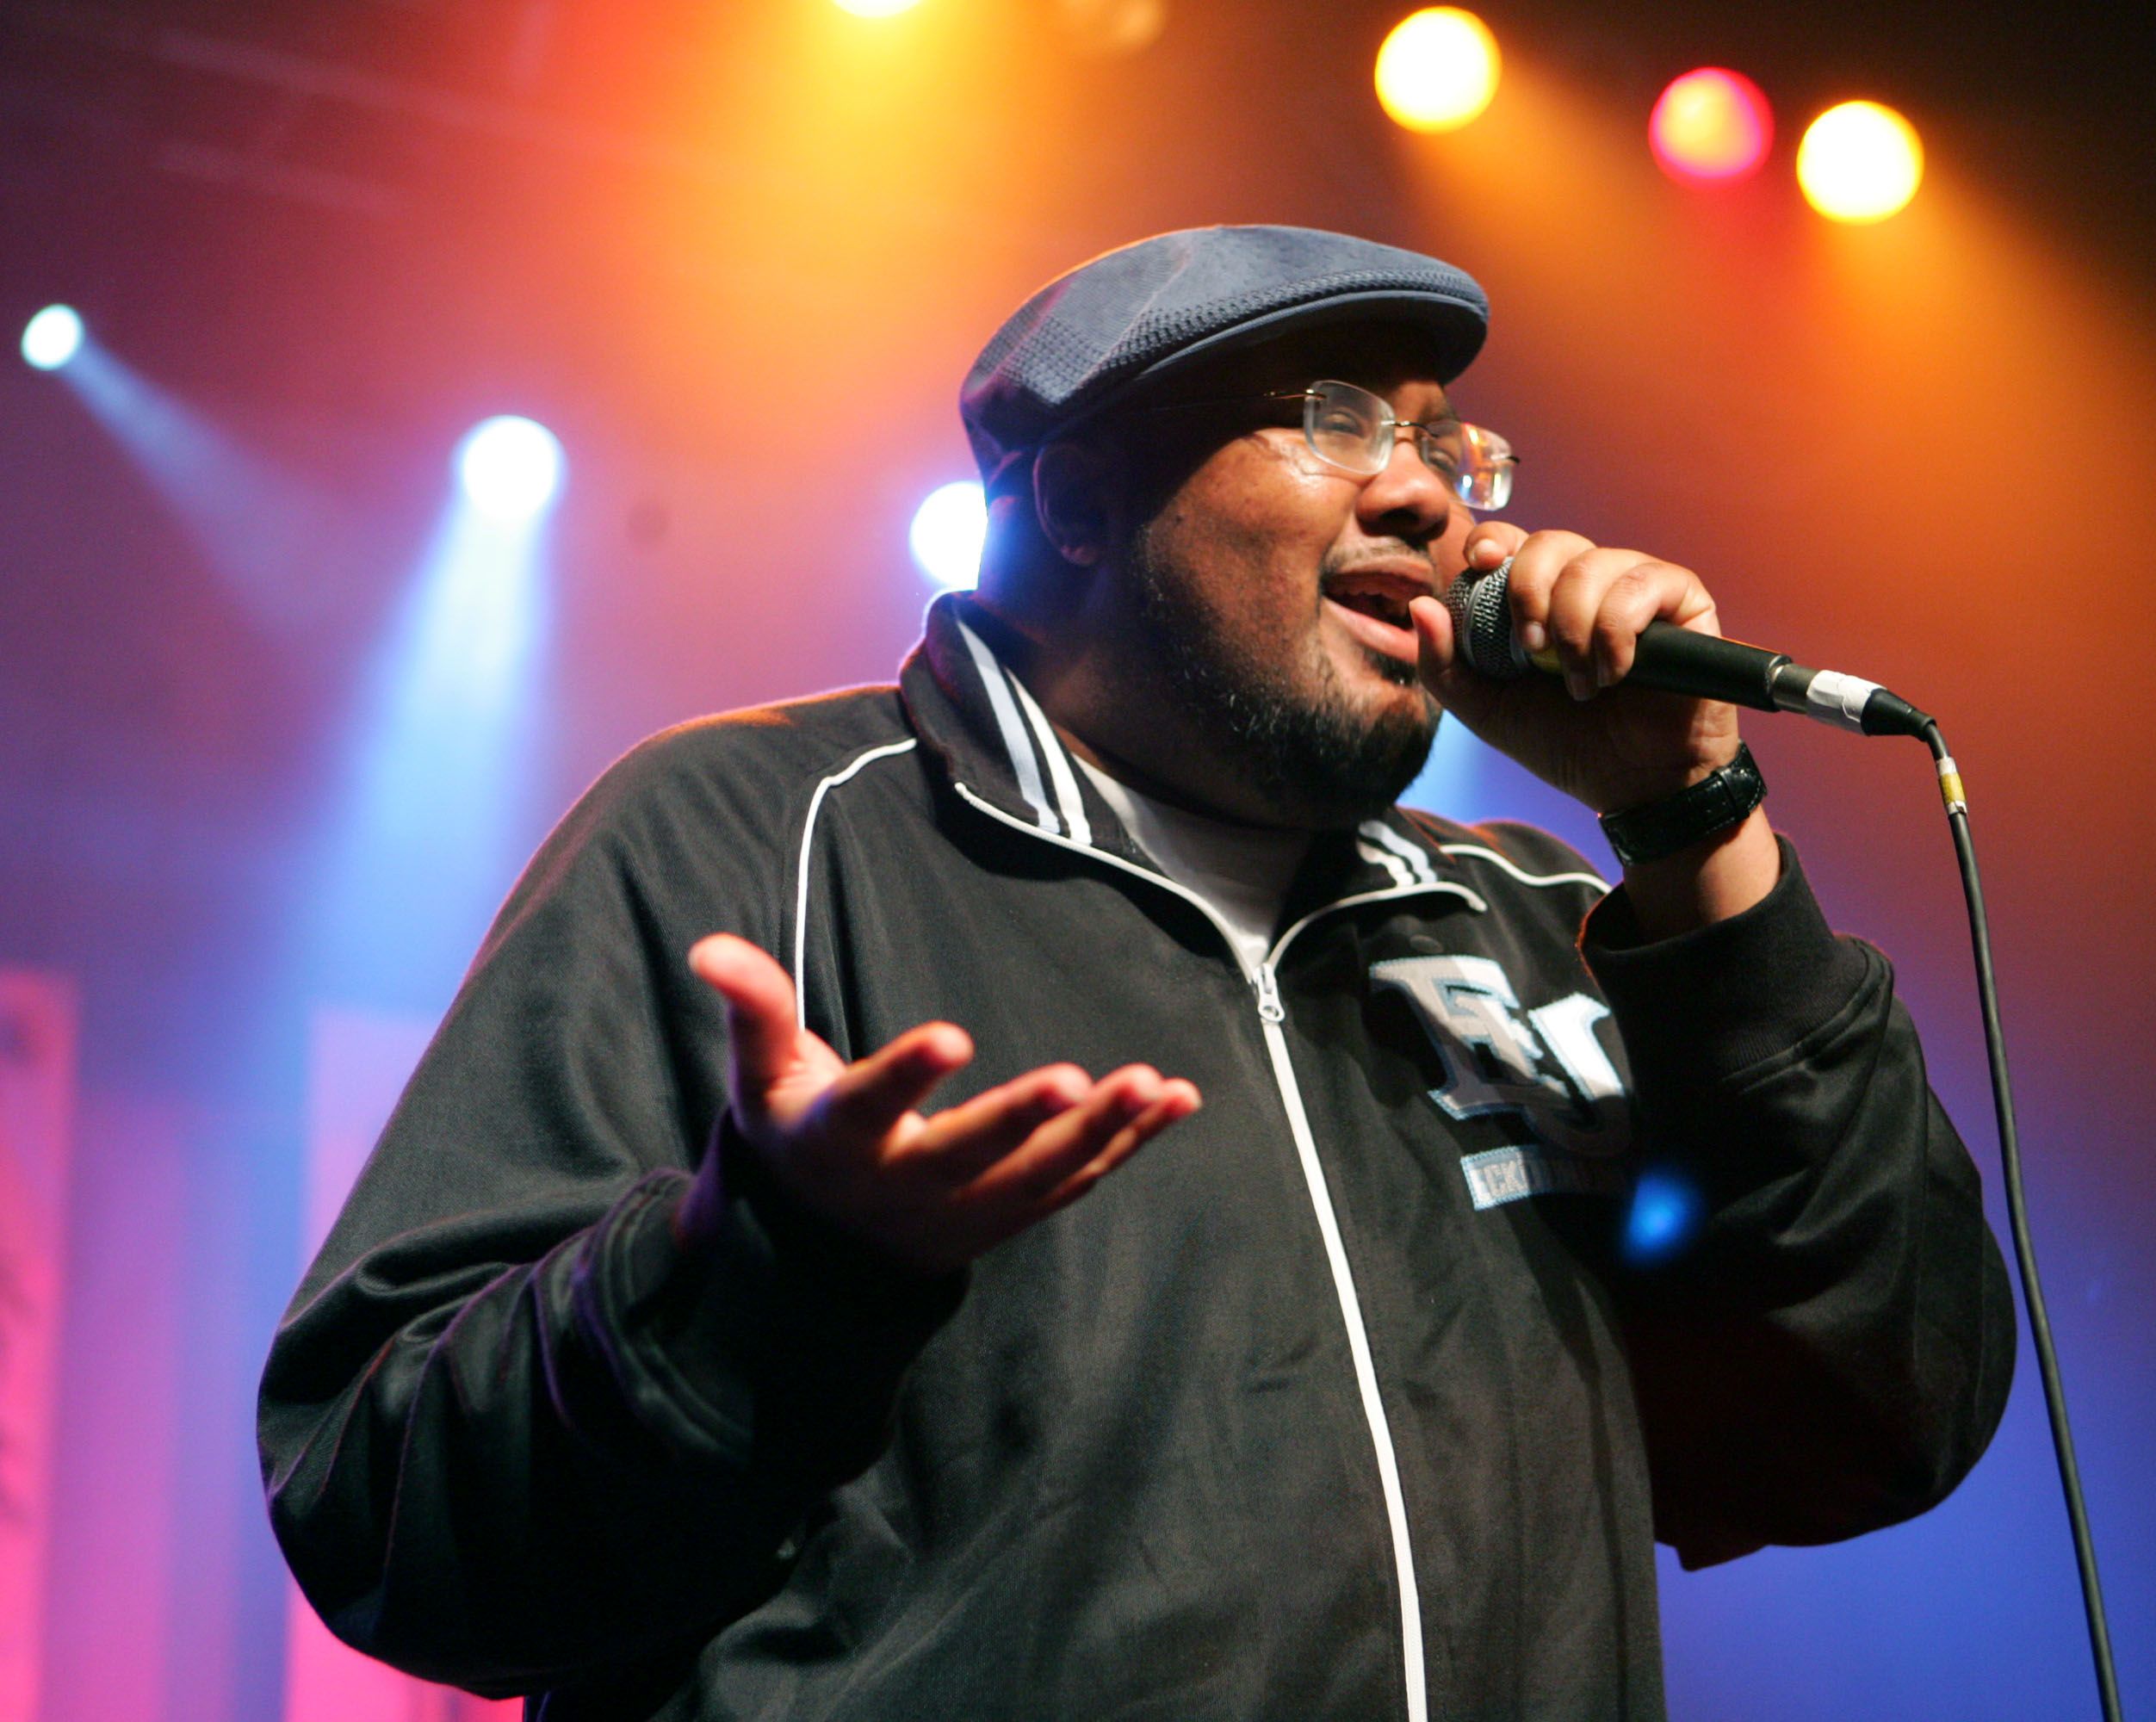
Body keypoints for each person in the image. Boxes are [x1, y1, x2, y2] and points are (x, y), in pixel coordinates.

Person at [259, 225, 2015, 1721]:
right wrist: (765, 1273)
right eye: (1335, 422)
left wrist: (1692, 822)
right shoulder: (759, 836)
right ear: (1083, 497)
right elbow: (383, 1506)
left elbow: (1876, 1407)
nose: (1426, 492)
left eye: (1447, 443)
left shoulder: (1525, 917)